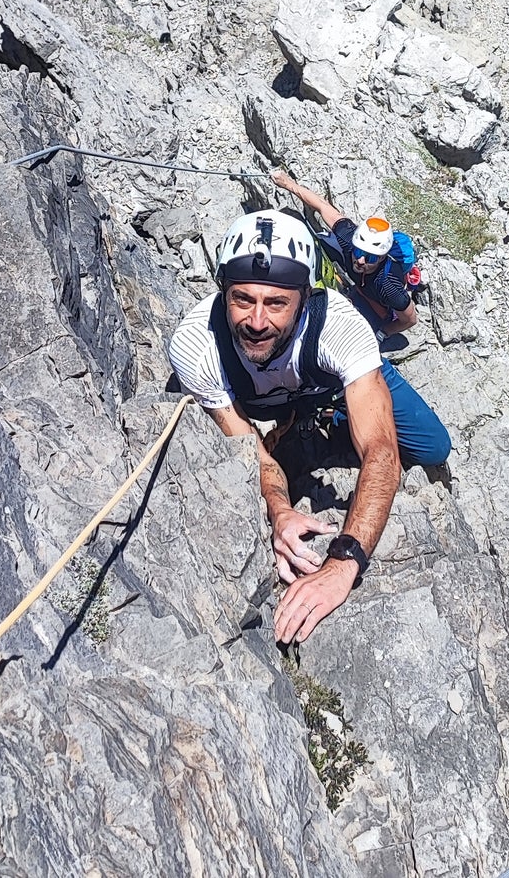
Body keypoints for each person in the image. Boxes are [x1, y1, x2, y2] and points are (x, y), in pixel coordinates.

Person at [167, 209, 451, 643]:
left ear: (304, 297)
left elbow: (381, 451)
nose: (257, 321)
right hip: (289, 396)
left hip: (335, 382)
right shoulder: (197, 346)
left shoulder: (339, 327)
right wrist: (280, 512)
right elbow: (249, 450)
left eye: (276, 303)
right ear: (222, 291)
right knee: (279, 460)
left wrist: (344, 561)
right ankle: (306, 425)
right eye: (242, 299)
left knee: (432, 447)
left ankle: (332, 418)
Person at [269, 171, 416, 337]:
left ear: (382, 258)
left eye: (370, 257)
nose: (360, 260)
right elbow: (322, 206)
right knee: (318, 242)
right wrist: (288, 184)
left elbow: (410, 319)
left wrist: (383, 333)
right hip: (360, 286)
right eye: (358, 251)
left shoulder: (389, 287)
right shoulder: (348, 238)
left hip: (375, 306)